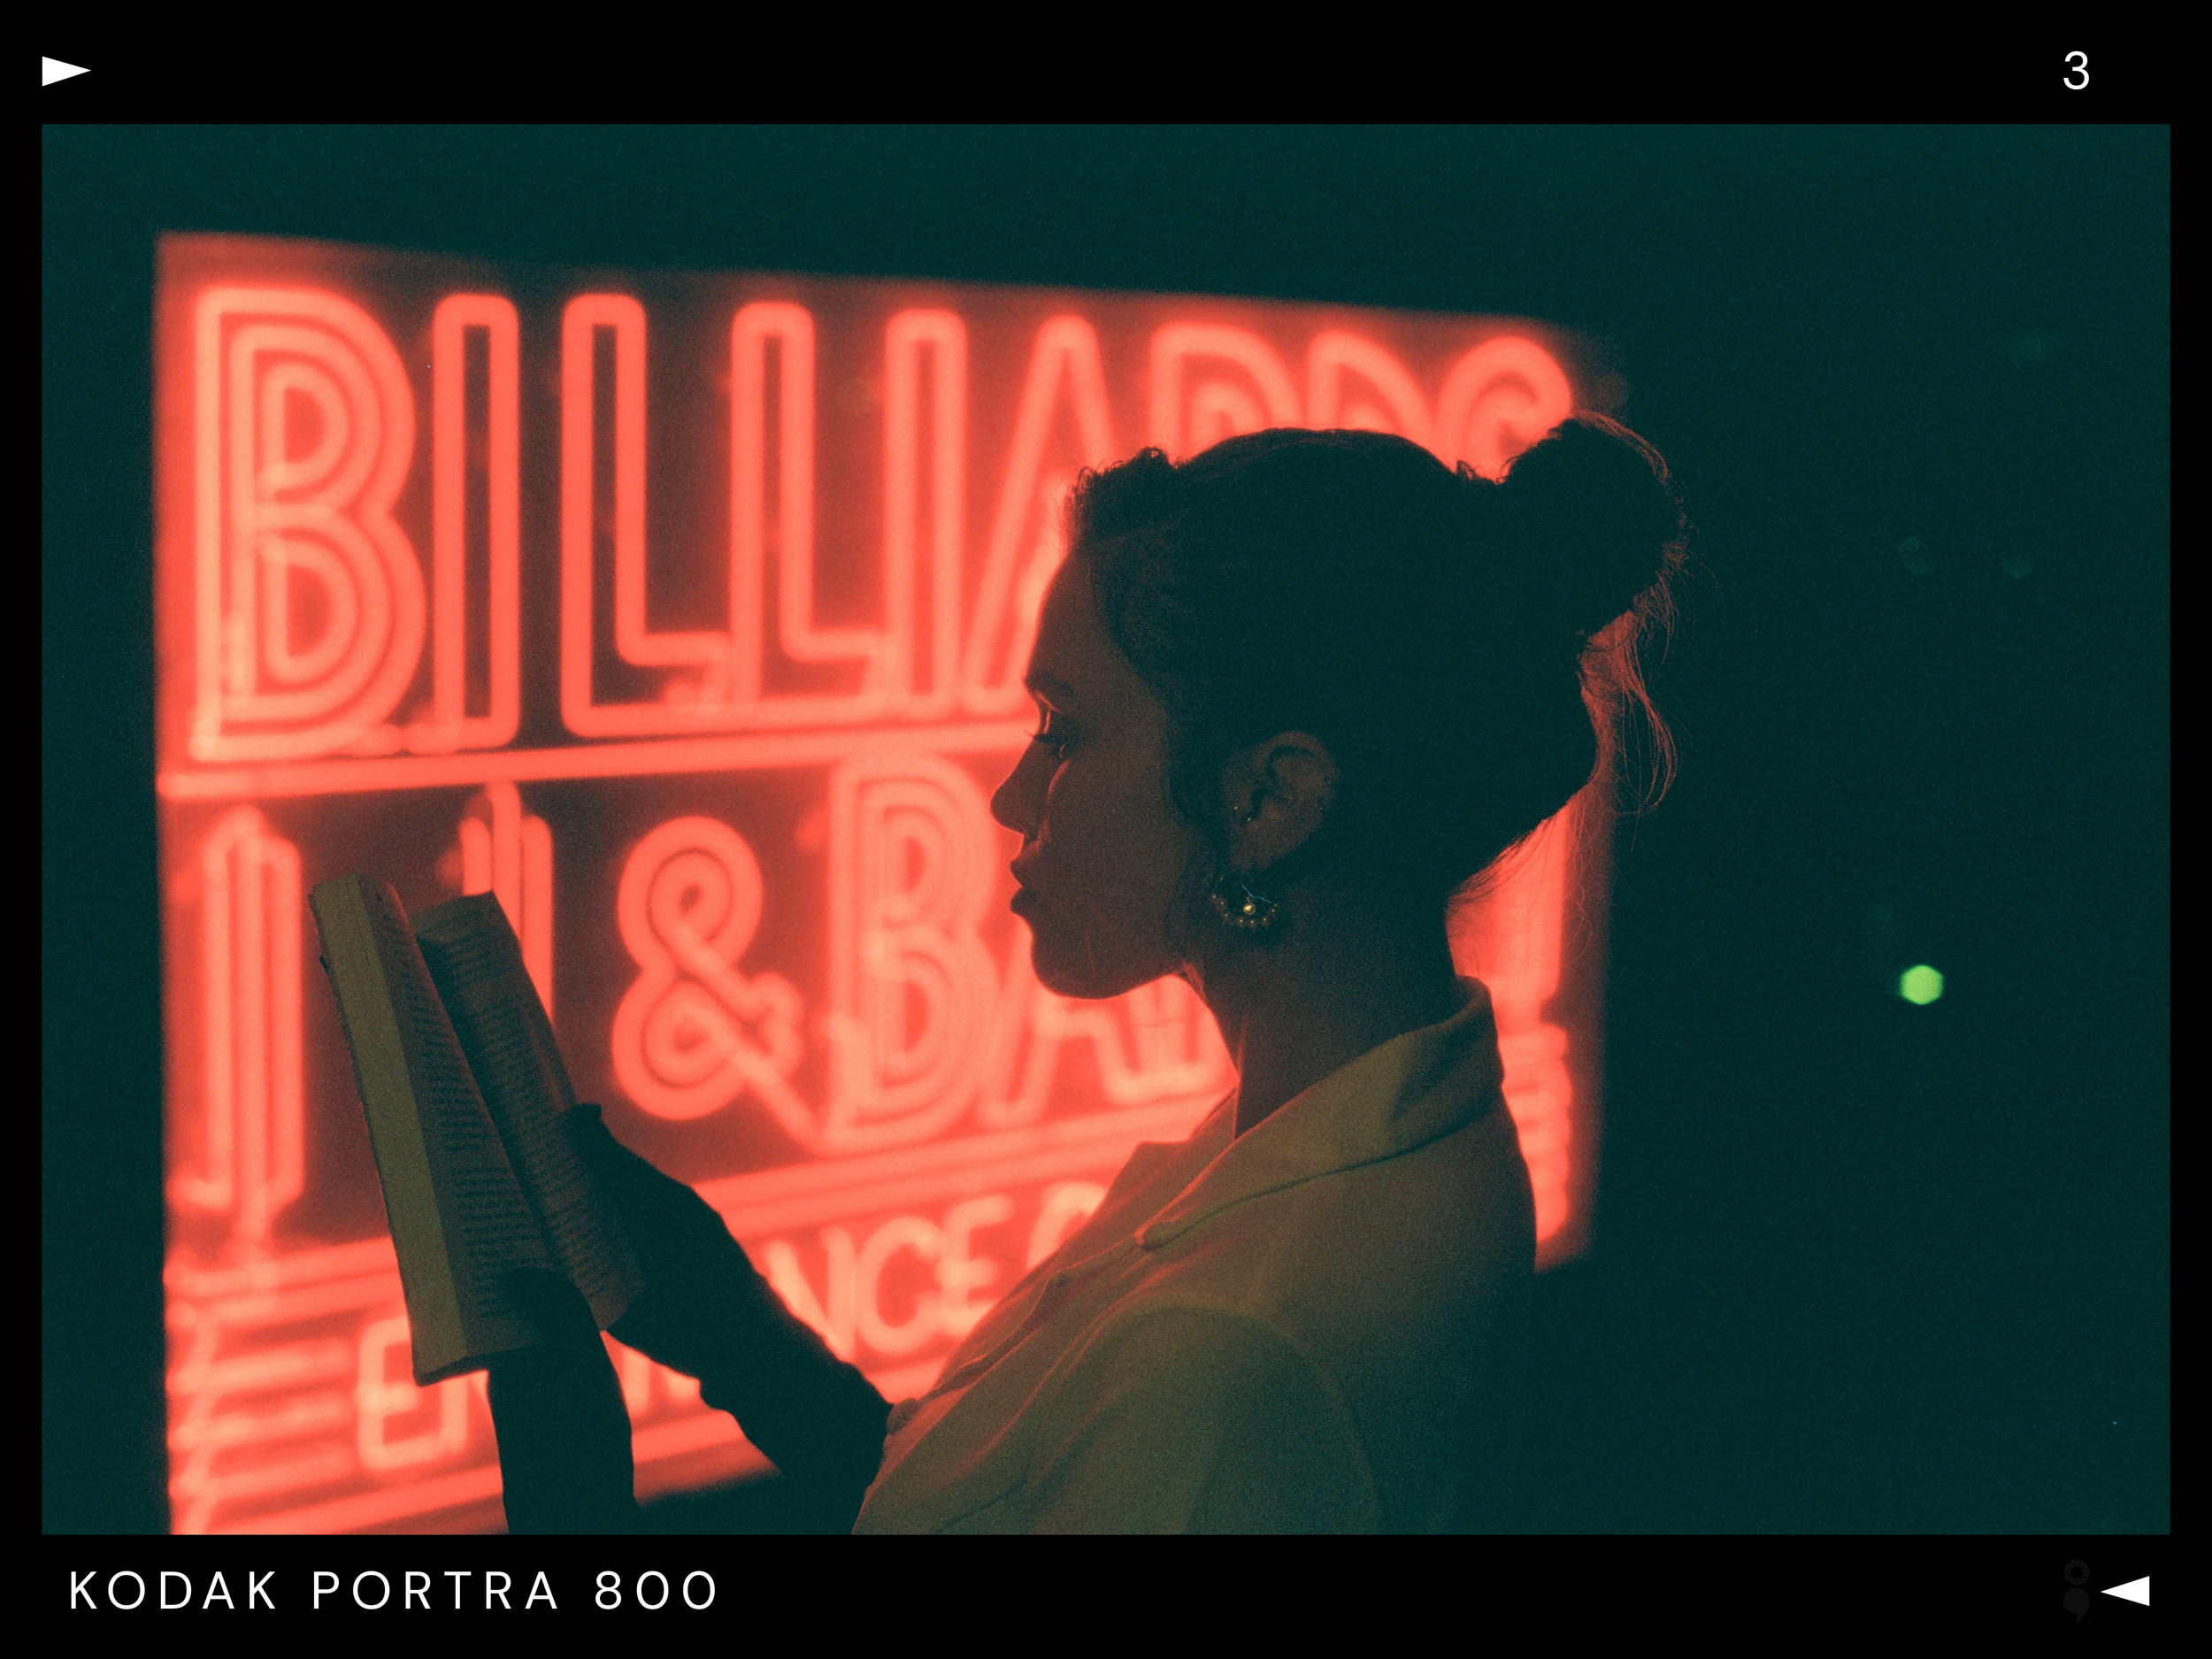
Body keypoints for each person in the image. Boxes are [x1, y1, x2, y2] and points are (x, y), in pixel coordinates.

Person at [488, 412, 1689, 1534]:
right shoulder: (1374, 1119)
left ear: (1268, 796)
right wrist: (738, 1339)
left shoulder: (1229, 1350)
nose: (1013, 796)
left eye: (1063, 728)